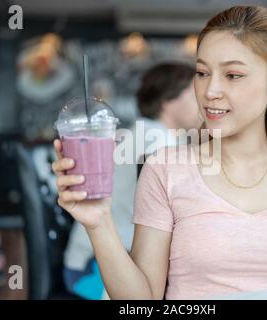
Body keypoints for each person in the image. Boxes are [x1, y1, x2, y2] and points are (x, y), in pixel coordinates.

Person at [52, 6, 267, 300]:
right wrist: (98, 223)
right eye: (202, 73)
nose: (210, 91)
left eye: (233, 75)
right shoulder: (165, 168)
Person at [61, 62, 200, 299]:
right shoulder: (156, 143)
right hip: (94, 273)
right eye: (195, 93)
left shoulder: (149, 135)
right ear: (169, 100)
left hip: (98, 263)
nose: (204, 102)